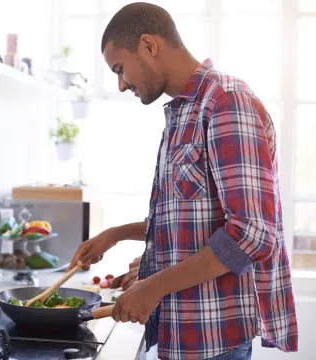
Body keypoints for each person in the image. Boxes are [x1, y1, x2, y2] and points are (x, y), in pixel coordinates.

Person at [68, 2, 298, 360]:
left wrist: (152, 287)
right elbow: (186, 220)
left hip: (213, 340)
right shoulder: (183, 111)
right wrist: (113, 235)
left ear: (149, 45)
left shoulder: (226, 101)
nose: (121, 84)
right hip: (179, 335)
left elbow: (251, 234)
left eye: (120, 68)